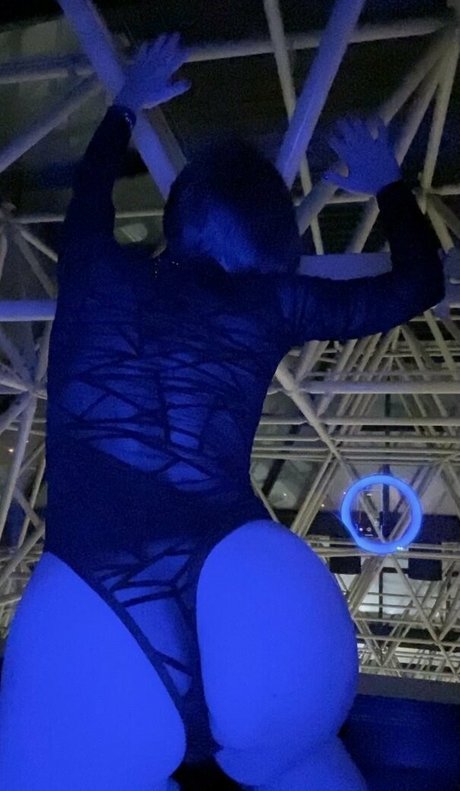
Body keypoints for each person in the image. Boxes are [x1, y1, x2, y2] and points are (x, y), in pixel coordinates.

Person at [0, 34, 444, 791]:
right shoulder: (266, 301)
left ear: (181, 220)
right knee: (308, 769)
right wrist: (388, 185)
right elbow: (418, 286)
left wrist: (126, 102)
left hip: (95, 610)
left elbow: (90, 192)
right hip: (256, 595)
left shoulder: (92, 269)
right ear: (268, 249)